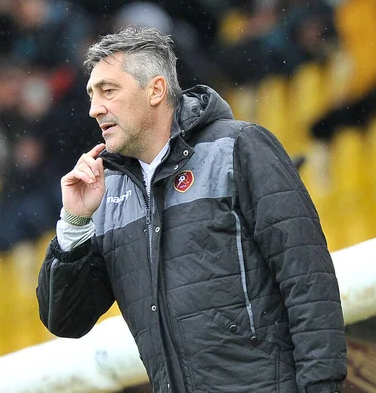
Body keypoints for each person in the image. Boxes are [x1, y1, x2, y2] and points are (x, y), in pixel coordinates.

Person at [36, 27, 347, 392]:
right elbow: (66, 320)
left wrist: (321, 385)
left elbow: (307, 277)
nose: (94, 108)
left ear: (155, 90)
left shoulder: (239, 147)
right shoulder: (106, 193)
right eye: (92, 94)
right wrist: (74, 222)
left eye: (108, 90)